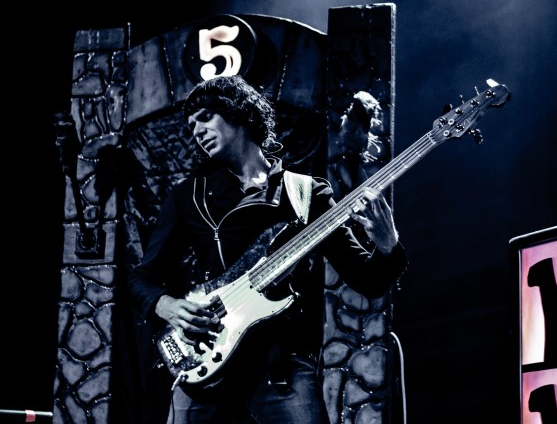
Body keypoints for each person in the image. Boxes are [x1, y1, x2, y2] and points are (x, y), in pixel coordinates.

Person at [128, 74, 408, 423]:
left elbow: (369, 280)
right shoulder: (189, 196)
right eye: (192, 126)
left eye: (205, 118)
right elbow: (140, 278)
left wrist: (387, 241)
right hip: (207, 360)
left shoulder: (306, 193)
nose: (197, 131)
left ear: (238, 113)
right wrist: (167, 306)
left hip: (282, 368)